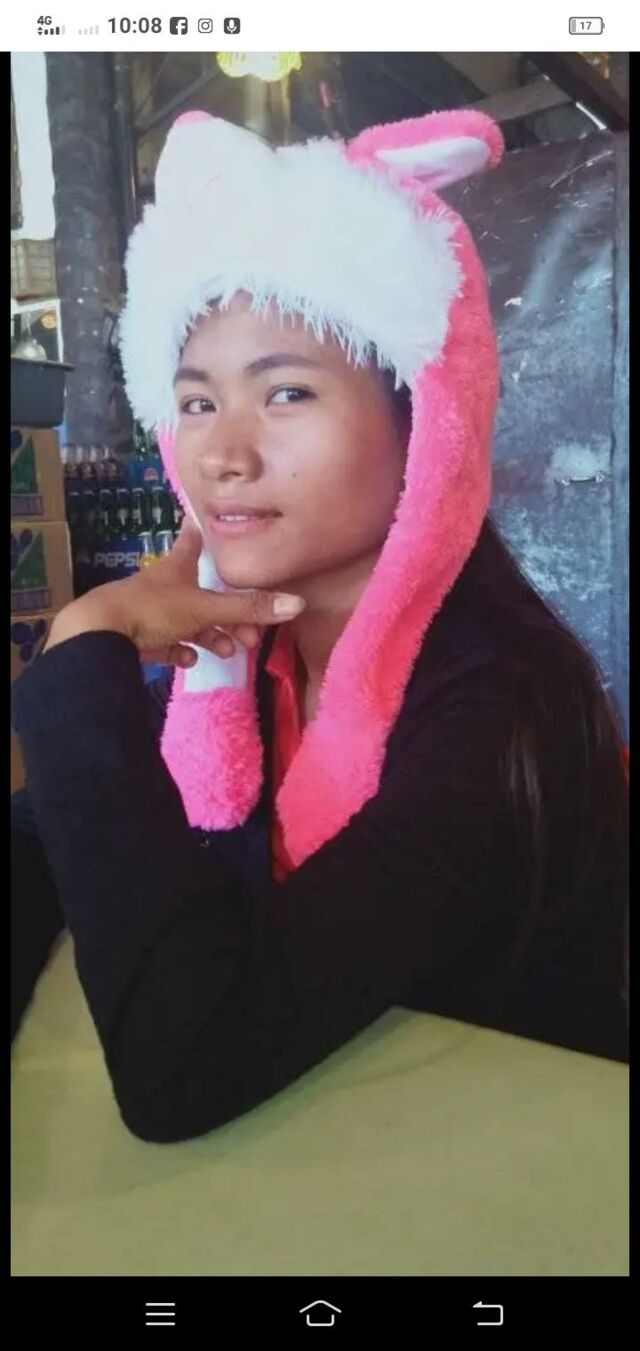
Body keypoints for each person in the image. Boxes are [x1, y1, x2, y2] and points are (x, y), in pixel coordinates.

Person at [11, 109, 628, 1143]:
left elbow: (187, 1062)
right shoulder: (245, 658)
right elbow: (44, 841)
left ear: (424, 419)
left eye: (286, 391)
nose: (224, 455)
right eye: (196, 403)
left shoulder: (498, 708)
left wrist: (84, 649)